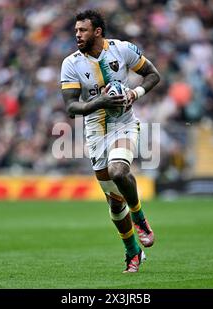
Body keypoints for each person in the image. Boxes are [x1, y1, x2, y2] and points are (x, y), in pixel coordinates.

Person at [60, 10, 160, 273]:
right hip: (95, 132)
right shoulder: (71, 63)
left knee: (119, 170)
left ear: (97, 32)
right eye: (76, 31)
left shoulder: (123, 50)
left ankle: (140, 218)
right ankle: (132, 252)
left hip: (124, 124)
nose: (77, 35)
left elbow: (153, 75)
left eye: (82, 30)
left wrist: (135, 93)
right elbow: (71, 108)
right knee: (115, 203)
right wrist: (99, 102)